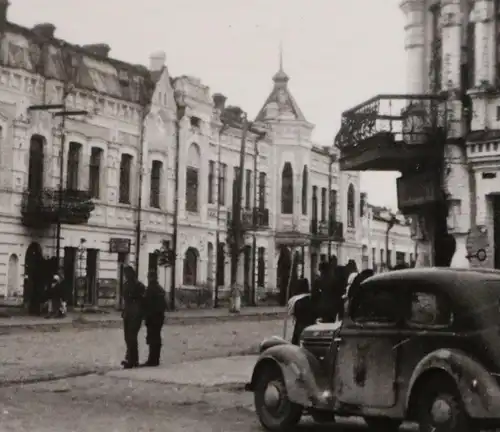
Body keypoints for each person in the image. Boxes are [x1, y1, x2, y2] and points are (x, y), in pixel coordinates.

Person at [121, 265, 146, 369]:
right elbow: (126, 300)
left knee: (131, 337)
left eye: (126, 273)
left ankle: (132, 360)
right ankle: (131, 358)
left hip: (135, 314)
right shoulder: (126, 284)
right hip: (128, 313)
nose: (125, 275)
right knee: (128, 337)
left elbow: (142, 301)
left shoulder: (139, 286)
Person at [141, 271, 168, 367]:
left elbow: (146, 303)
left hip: (152, 317)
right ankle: (155, 359)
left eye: (149, 277)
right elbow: (164, 305)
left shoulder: (151, 289)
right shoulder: (160, 289)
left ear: (151, 278)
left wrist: (145, 315)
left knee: (152, 338)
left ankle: (152, 360)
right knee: (156, 338)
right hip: (159, 317)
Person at [287, 278, 316, 345]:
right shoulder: (312, 298)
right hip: (311, 324)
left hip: (300, 324)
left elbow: (291, 312)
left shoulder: (294, 300)